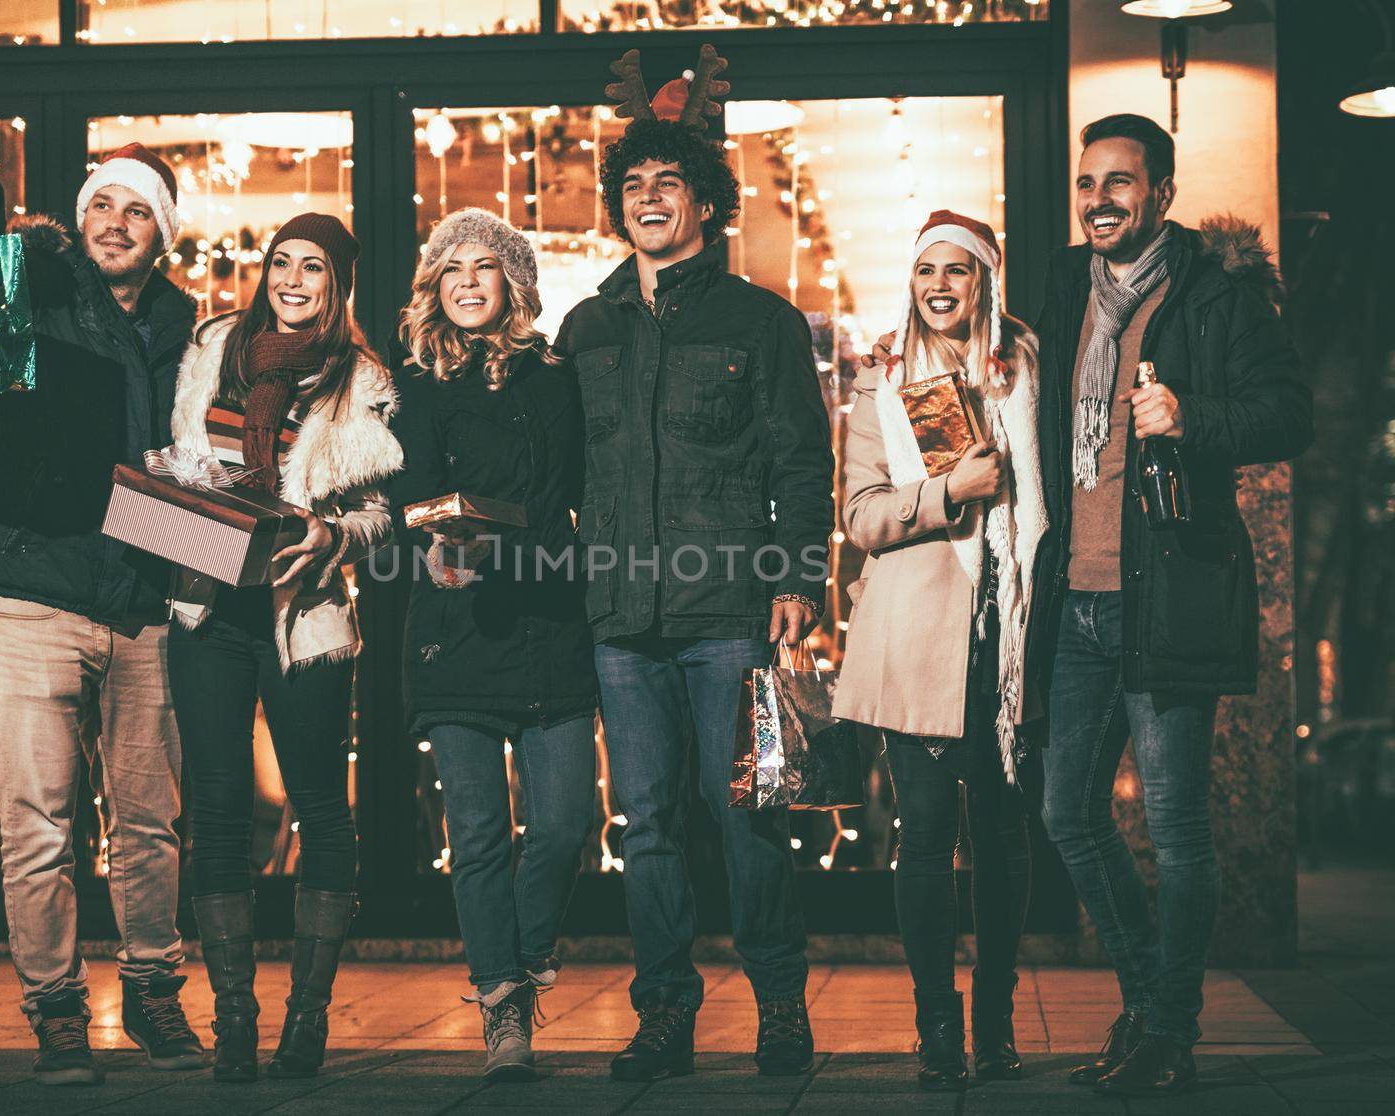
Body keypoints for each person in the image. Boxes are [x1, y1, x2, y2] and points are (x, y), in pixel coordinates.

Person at [554, 48, 835, 1081]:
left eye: (666, 182)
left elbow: (802, 461)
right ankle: (665, 1013)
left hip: (728, 613)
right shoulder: (585, 328)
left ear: (705, 202)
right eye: (631, 186)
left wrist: (798, 578)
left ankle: (779, 1005)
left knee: (747, 815)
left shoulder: (759, 324)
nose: (646, 198)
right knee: (649, 825)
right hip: (620, 621)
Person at [1027, 114, 1313, 1096]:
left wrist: (1194, 419)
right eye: (1086, 182)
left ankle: (1168, 1031)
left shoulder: (1215, 293)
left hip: (1170, 594)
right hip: (1076, 602)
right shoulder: (1066, 286)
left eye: (1118, 182)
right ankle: (1149, 1006)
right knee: (1067, 813)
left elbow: (1288, 413)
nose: (1098, 199)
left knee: (1178, 828)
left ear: (1160, 192)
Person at [0, 144, 203, 1085]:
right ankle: (55, 1009)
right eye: (102, 205)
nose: (115, 221)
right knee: (39, 824)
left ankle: (153, 995)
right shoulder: (32, 287)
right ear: (81, 220)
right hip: (29, 590)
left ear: (163, 234)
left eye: (138, 210)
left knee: (149, 821)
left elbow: (187, 469)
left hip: (143, 603)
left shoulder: (186, 332)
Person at [167, 214, 403, 1082]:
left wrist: (332, 532)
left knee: (321, 808)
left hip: (303, 619)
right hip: (206, 611)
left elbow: (383, 517)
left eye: (313, 268)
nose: (292, 280)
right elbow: (182, 466)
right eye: (280, 263)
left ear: (337, 283)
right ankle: (234, 1018)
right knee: (219, 809)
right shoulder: (216, 350)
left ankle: (307, 1019)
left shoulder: (360, 379)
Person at [834, 212, 1046, 1092]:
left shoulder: (1027, 373)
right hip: (918, 642)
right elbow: (861, 516)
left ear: (985, 282)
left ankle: (994, 1024)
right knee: (923, 838)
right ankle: (936, 1030)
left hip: (1011, 641)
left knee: (1002, 841)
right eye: (928, 270)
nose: (942, 285)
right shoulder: (882, 385)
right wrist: (947, 491)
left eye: (959, 270)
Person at [387, 208, 598, 1082]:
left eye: (486, 267)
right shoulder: (416, 387)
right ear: (434, 288)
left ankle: (526, 950)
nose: (468, 282)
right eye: (451, 270)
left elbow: (583, 487)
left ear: (514, 283)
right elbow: (414, 501)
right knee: (476, 834)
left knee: (563, 824)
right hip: (457, 630)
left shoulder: (558, 378)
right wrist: (440, 545)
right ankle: (503, 1000)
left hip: (551, 620)